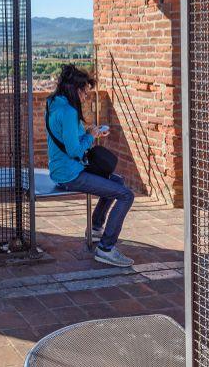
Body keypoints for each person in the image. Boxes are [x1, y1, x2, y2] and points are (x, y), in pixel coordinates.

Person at [46, 64, 135, 267]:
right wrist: (91, 136)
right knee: (126, 194)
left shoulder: (53, 103)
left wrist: (87, 131)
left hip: (60, 168)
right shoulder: (68, 110)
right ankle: (106, 248)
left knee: (118, 181)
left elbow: (64, 134)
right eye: (84, 92)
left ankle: (95, 228)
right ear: (75, 90)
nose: (86, 97)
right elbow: (74, 151)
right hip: (70, 174)